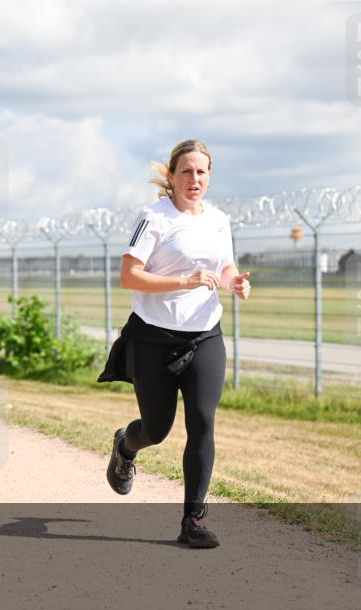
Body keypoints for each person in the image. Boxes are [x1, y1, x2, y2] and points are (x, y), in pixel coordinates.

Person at [99, 139, 251, 549]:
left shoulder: (219, 220)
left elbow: (224, 266)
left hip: (205, 335)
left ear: (210, 177)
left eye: (201, 172)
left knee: (202, 422)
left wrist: (234, 282)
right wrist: (184, 281)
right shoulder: (154, 217)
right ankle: (125, 446)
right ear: (171, 175)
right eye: (186, 171)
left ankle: (193, 521)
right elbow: (129, 276)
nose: (194, 179)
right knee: (156, 429)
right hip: (154, 337)